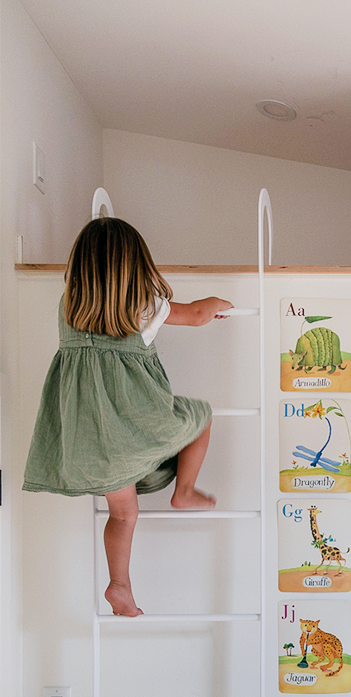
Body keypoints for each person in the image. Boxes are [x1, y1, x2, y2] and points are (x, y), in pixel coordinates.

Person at [23, 217, 232, 616]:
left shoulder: (69, 308)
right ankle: (184, 491)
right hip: (134, 433)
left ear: (81, 266)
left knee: (123, 514)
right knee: (201, 417)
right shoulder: (144, 307)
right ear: (136, 266)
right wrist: (220, 303)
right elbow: (198, 314)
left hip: (90, 445)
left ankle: (120, 584)